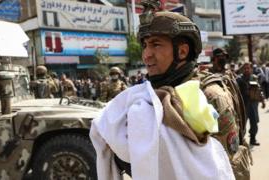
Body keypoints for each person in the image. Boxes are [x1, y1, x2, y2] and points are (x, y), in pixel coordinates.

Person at [90, 5, 236, 180]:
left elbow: (227, 167)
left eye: (156, 45)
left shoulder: (211, 96)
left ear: (182, 51)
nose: (146, 55)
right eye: (145, 46)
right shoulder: (145, 97)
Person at [237, 62, 266, 146]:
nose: (246, 69)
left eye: (248, 68)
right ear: (242, 69)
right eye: (245, 68)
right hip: (243, 105)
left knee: (254, 123)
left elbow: (259, 89)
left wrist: (263, 100)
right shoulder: (239, 79)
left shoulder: (254, 78)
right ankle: (241, 141)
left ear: (251, 69)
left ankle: (253, 139)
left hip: (253, 105)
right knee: (242, 124)